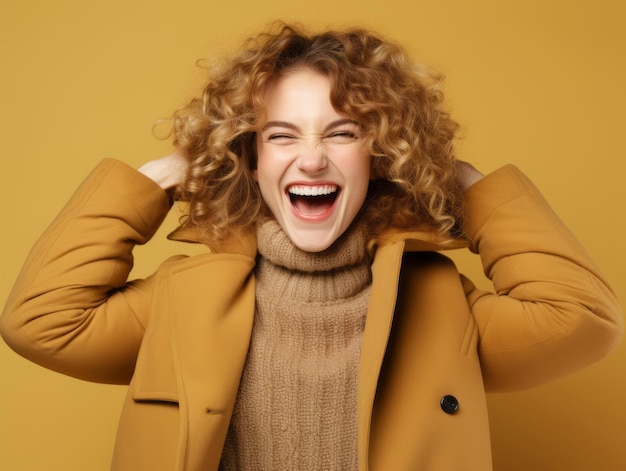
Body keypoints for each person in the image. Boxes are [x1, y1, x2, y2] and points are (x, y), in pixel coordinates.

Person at [1, 22, 623, 471]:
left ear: (379, 153)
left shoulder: (438, 300)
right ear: (248, 157)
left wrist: (463, 178)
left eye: (343, 132)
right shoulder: (182, 296)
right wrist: (162, 173)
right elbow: (39, 322)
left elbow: (583, 321)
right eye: (281, 135)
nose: (313, 157)